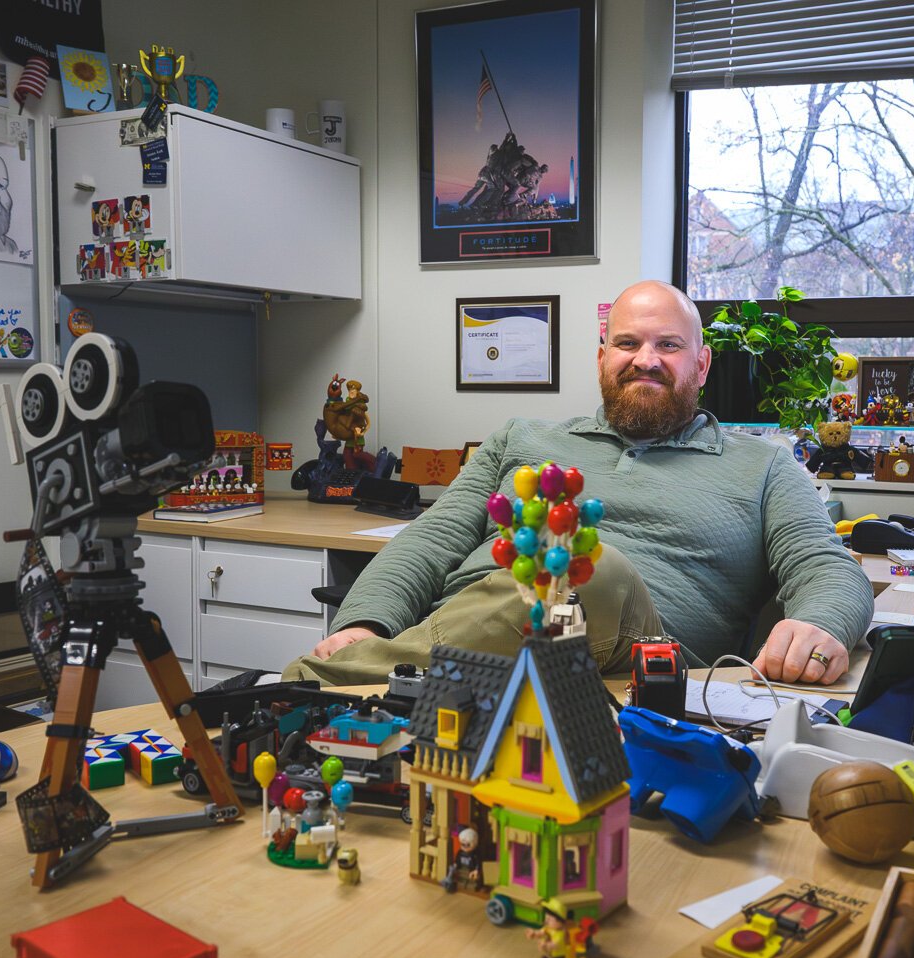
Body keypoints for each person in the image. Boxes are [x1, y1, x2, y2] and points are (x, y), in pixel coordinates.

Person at [281, 280, 873, 686]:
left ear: (702, 364)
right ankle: (359, 676)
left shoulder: (763, 466)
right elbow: (431, 539)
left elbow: (828, 566)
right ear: (601, 358)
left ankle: (321, 689)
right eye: (627, 343)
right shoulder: (521, 438)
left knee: (582, 562)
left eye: (669, 345)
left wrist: (821, 622)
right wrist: (364, 623)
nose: (646, 359)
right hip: (479, 638)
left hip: (632, 662)